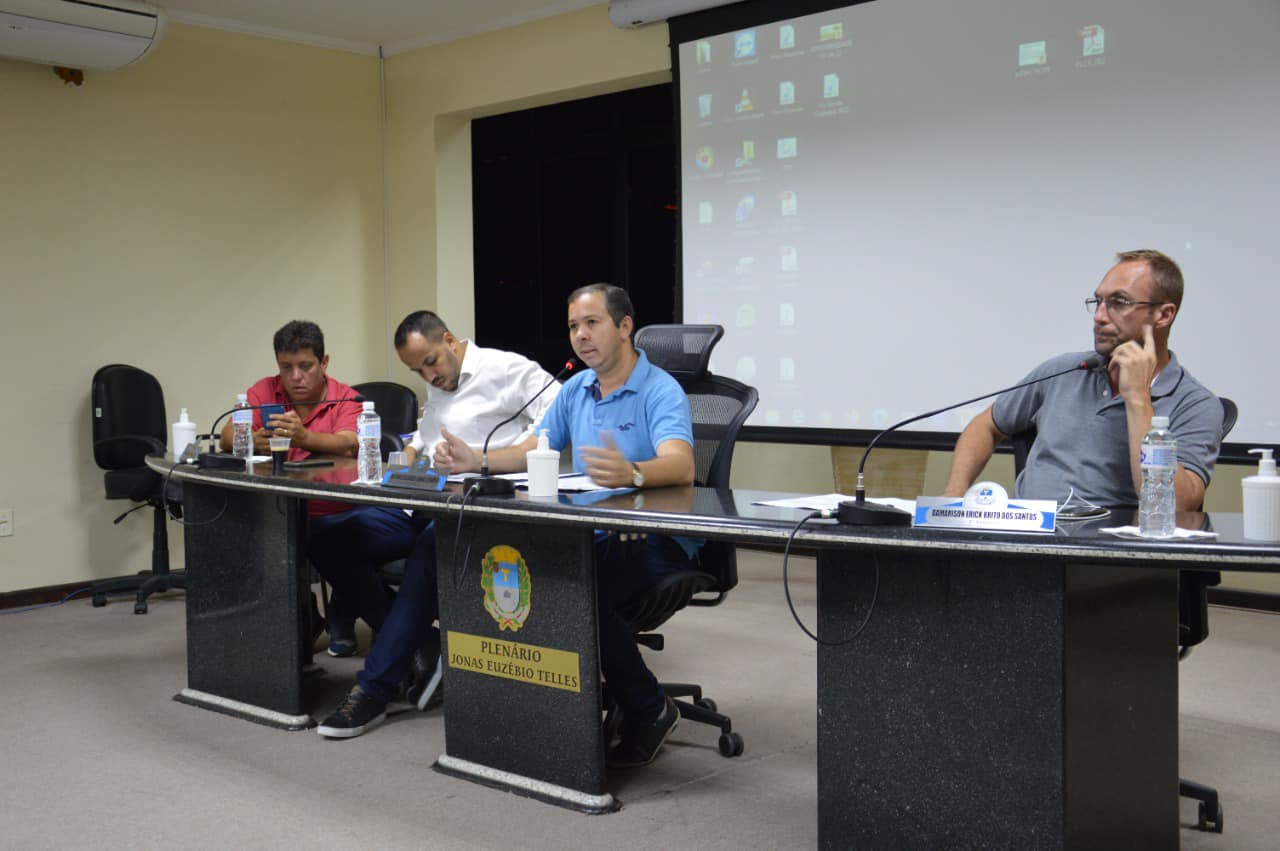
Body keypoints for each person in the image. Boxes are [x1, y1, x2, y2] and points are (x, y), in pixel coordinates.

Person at [436, 284, 698, 767]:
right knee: (540, 580)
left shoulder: (660, 389)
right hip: (594, 530)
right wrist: (477, 458)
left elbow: (680, 465)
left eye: (592, 323)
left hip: (657, 536)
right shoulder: (576, 388)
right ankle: (554, 708)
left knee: (579, 595)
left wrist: (634, 472)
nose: (580, 336)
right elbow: (536, 447)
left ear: (624, 327)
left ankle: (650, 709)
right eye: (573, 326)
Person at [316, 311, 561, 737]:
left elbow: (559, 427)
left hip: (480, 509)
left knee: (430, 550)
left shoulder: (508, 370)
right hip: (425, 498)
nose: (428, 375)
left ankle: (375, 688)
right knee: (328, 537)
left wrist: (485, 461)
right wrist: (403, 460)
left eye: (431, 362)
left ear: (449, 340)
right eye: (417, 370)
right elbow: (426, 440)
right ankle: (421, 645)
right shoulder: (438, 382)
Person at [943, 250, 1223, 509]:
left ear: (1163, 315)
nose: (1100, 317)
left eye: (1119, 303)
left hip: (1109, 548)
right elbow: (987, 424)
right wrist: (954, 494)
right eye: (1098, 301)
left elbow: (1177, 506)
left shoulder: (1196, 404)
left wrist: (1138, 400)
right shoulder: (1066, 370)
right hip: (1029, 535)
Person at [221, 320, 425, 657]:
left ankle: (362, 621)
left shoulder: (346, 396)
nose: (296, 377)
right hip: (284, 513)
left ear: (324, 362)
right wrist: (256, 438)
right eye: (286, 368)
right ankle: (378, 628)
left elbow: (349, 444)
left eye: (305, 366)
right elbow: (229, 436)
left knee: (331, 541)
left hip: (347, 509)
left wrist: (303, 438)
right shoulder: (264, 392)